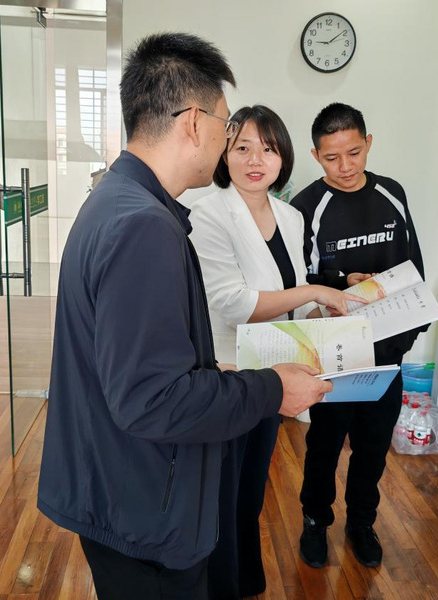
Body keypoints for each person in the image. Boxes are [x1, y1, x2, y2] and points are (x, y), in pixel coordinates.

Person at [37, 33, 333, 600]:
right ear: (195, 122)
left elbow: (134, 366)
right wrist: (273, 389)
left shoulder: (120, 199)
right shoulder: (142, 226)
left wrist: (214, 373)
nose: (229, 142)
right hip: (141, 506)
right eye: (227, 125)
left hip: (120, 485)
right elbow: (152, 400)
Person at [190, 105, 363, 598]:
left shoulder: (290, 216)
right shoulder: (208, 213)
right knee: (222, 493)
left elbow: (290, 298)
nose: (255, 160)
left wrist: (323, 311)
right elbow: (232, 303)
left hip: (274, 375)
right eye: (242, 148)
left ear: (283, 157)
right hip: (227, 373)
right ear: (224, 155)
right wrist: (313, 291)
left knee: (250, 490)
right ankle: (219, 584)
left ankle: (244, 581)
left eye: (267, 149)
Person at [291, 102, 428, 569]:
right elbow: (299, 281)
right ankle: (315, 521)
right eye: (332, 158)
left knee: (373, 446)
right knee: (324, 445)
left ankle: (361, 523)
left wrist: (408, 337)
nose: (345, 166)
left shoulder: (392, 193)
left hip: (387, 350)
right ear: (316, 156)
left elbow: (413, 267)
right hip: (334, 352)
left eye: (354, 153)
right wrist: (342, 281)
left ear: (368, 143)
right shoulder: (305, 207)